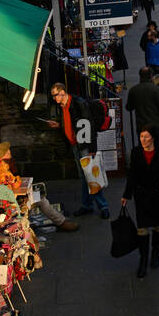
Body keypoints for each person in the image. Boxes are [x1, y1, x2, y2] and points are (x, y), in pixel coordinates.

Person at [121, 125, 159, 278]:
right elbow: (132, 174)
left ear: (153, 137)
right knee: (142, 228)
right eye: (141, 137)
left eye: (146, 137)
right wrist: (127, 194)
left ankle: (156, 251)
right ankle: (143, 259)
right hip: (142, 194)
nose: (143, 140)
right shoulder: (136, 152)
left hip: (158, 194)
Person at [45, 83, 109, 218]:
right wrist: (58, 125)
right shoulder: (62, 106)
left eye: (55, 95)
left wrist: (92, 148)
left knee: (90, 176)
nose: (54, 98)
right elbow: (71, 124)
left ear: (62, 92)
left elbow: (88, 124)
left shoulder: (78, 103)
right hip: (75, 144)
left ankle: (103, 206)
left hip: (84, 144)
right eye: (53, 96)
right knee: (84, 177)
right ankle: (87, 205)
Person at [0, 142, 78, 231]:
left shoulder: (4, 165)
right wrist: (19, 183)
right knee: (41, 200)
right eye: (7, 151)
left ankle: (60, 222)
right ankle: (61, 223)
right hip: (11, 203)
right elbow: (11, 185)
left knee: (39, 197)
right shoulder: (1, 169)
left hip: (14, 198)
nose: (10, 152)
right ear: (3, 154)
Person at [126, 67, 159, 155]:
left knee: (144, 149)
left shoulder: (134, 90)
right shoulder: (156, 89)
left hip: (142, 126)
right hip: (156, 126)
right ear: (151, 76)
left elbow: (129, 107)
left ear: (140, 76)